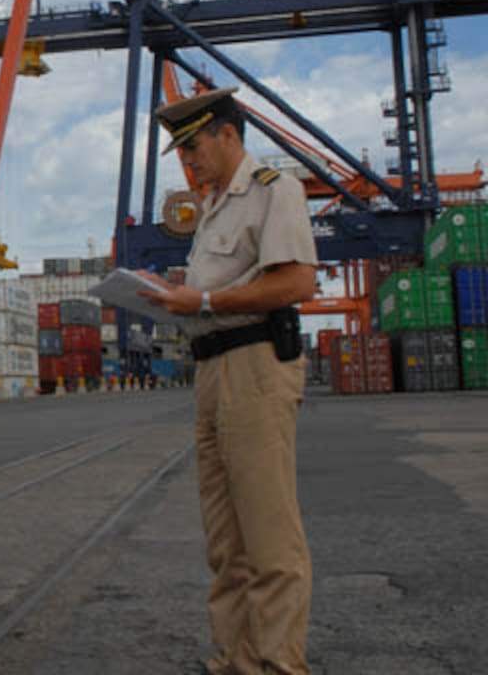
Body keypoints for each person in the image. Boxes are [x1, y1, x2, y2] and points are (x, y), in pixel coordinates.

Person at [138, 87, 318, 675]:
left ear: (229, 135)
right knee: (226, 542)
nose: (188, 163)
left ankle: (276, 665)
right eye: (181, 154)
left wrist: (206, 298)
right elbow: (208, 300)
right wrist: (176, 298)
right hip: (213, 370)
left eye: (193, 148)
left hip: (254, 365)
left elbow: (295, 283)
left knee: (268, 536)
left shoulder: (274, 190)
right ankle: (235, 661)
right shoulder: (214, 208)